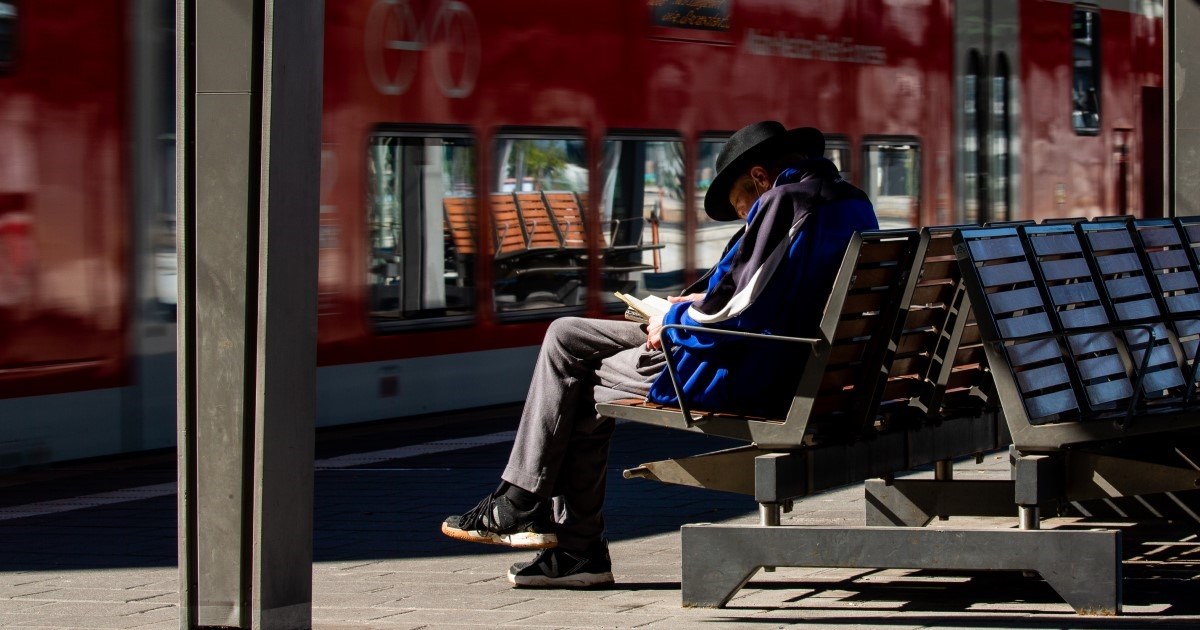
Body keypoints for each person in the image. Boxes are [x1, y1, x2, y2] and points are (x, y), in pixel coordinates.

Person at [440, 121, 878, 588]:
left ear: (757, 176)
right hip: (804, 364)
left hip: (743, 370)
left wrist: (670, 322)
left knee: (576, 378)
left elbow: (737, 309)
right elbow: (766, 291)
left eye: (740, 206)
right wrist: (682, 306)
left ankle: (547, 524)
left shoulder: (785, 202)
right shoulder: (847, 200)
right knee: (567, 334)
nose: (745, 217)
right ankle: (541, 519)